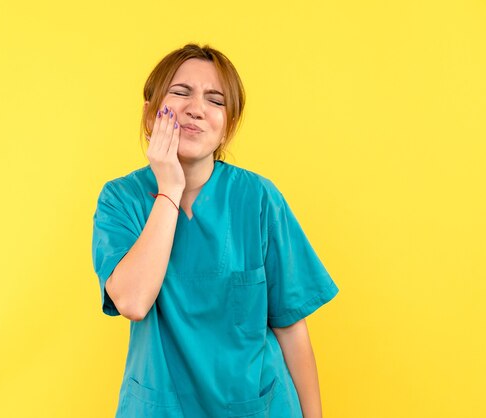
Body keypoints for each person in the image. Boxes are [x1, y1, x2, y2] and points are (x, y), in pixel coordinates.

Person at [91, 43, 339, 418]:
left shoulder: (258, 199)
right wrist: (169, 190)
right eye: (180, 92)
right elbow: (133, 301)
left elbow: (291, 327)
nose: (196, 109)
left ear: (228, 127)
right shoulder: (121, 200)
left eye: (215, 100)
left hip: (256, 408)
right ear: (149, 115)